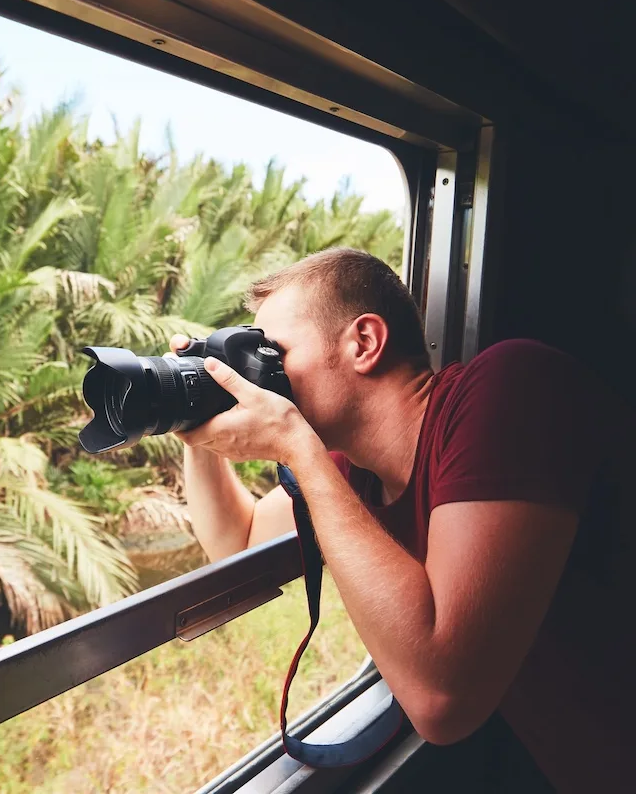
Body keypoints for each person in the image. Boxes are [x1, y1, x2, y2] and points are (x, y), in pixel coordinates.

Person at [167, 247, 634, 794]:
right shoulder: (351, 470)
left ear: (364, 342)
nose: (261, 373)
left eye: (274, 352)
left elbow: (441, 700)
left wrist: (299, 449)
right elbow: (239, 542)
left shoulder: (511, 386)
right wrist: (193, 413)